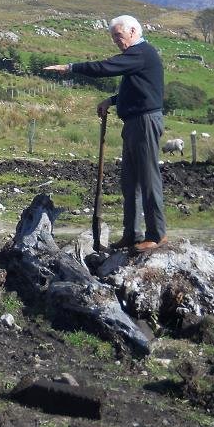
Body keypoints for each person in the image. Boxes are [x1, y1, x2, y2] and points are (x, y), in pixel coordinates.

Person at [45, 14, 168, 252]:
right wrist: (112, 100)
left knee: (149, 179)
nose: (116, 42)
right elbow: (137, 89)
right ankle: (132, 234)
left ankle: (157, 234)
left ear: (133, 31)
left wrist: (71, 67)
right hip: (133, 122)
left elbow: (105, 67)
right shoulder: (136, 57)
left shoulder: (141, 53)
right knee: (129, 182)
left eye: (119, 36)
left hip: (145, 122)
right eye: (113, 38)